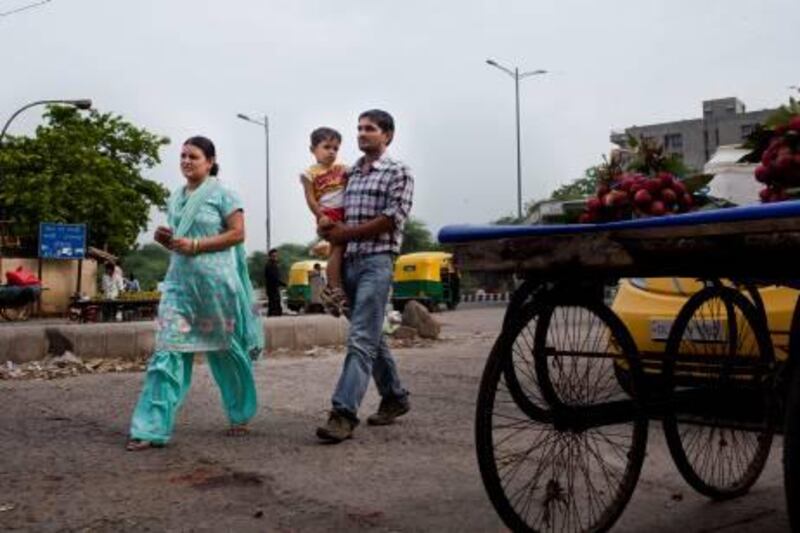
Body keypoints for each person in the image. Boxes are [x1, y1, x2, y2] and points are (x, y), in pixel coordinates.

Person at [126, 136, 264, 451]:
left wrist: (197, 245)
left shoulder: (224, 194)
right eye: (183, 156)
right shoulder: (175, 197)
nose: (187, 161)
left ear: (210, 161)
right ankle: (150, 429)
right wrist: (169, 239)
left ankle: (240, 413)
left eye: (194, 156)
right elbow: (183, 239)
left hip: (215, 287)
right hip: (179, 285)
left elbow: (238, 233)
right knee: (166, 353)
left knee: (225, 351)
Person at [316, 109, 413, 443]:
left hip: (377, 262)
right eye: (358, 128)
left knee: (360, 338)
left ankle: (342, 414)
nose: (361, 133)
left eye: (369, 129)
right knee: (371, 335)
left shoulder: (398, 172)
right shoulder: (350, 173)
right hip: (348, 263)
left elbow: (391, 219)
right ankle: (395, 397)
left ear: (387, 135)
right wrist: (328, 229)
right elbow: (335, 215)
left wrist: (346, 234)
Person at [300, 127, 349, 316]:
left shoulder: (343, 169)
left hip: (346, 215)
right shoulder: (309, 173)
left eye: (335, 148)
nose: (331, 152)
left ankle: (335, 290)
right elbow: (310, 199)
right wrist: (320, 216)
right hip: (328, 215)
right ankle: (334, 288)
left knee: (342, 250)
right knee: (338, 248)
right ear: (313, 149)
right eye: (326, 147)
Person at [264, 248, 285, 316]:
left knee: (275, 303)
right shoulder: (269, 265)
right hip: (272, 288)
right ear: (270, 256)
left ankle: (275, 315)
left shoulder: (274, 265)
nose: (275, 257)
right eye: (273, 256)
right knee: (273, 303)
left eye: (276, 256)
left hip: (275, 287)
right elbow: (273, 278)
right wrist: (282, 284)